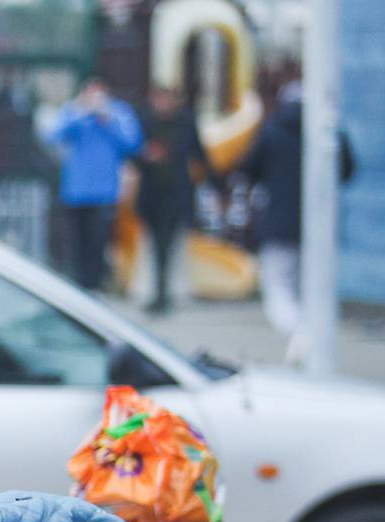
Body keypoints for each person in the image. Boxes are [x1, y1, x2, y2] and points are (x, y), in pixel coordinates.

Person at [239, 82, 356, 360]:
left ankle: (301, 332)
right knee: (312, 287)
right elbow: (348, 171)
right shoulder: (329, 130)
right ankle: (310, 336)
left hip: (279, 223)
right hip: (320, 226)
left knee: (278, 288)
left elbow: (247, 169)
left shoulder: (272, 130)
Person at [42, 76, 143, 292]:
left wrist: (108, 119)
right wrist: (80, 114)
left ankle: (95, 286)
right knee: (76, 244)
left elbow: (133, 144)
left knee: (98, 243)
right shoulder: (74, 111)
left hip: (104, 192)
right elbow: (52, 136)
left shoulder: (118, 112)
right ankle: (79, 287)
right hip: (75, 191)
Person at [135, 83, 212, 315]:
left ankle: (163, 292)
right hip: (151, 194)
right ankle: (157, 291)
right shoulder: (146, 122)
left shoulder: (185, 123)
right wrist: (145, 156)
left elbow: (199, 154)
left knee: (167, 244)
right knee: (156, 244)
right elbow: (132, 153)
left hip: (175, 193)